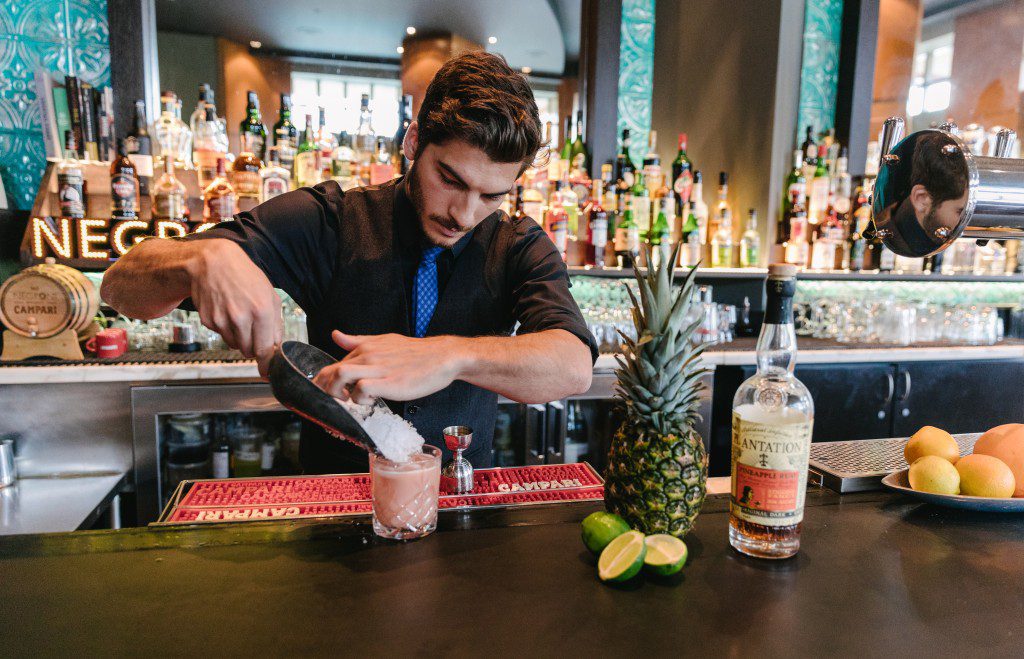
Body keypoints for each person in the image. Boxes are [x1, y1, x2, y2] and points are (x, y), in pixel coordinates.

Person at [101, 52, 597, 473]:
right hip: (334, 513)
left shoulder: (516, 244)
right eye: (451, 179)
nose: (464, 214)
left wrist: (449, 357)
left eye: (491, 195)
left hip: (461, 517)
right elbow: (120, 287)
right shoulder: (331, 220)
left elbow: (573, 366)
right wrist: (201, 256)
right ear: (413, 143)